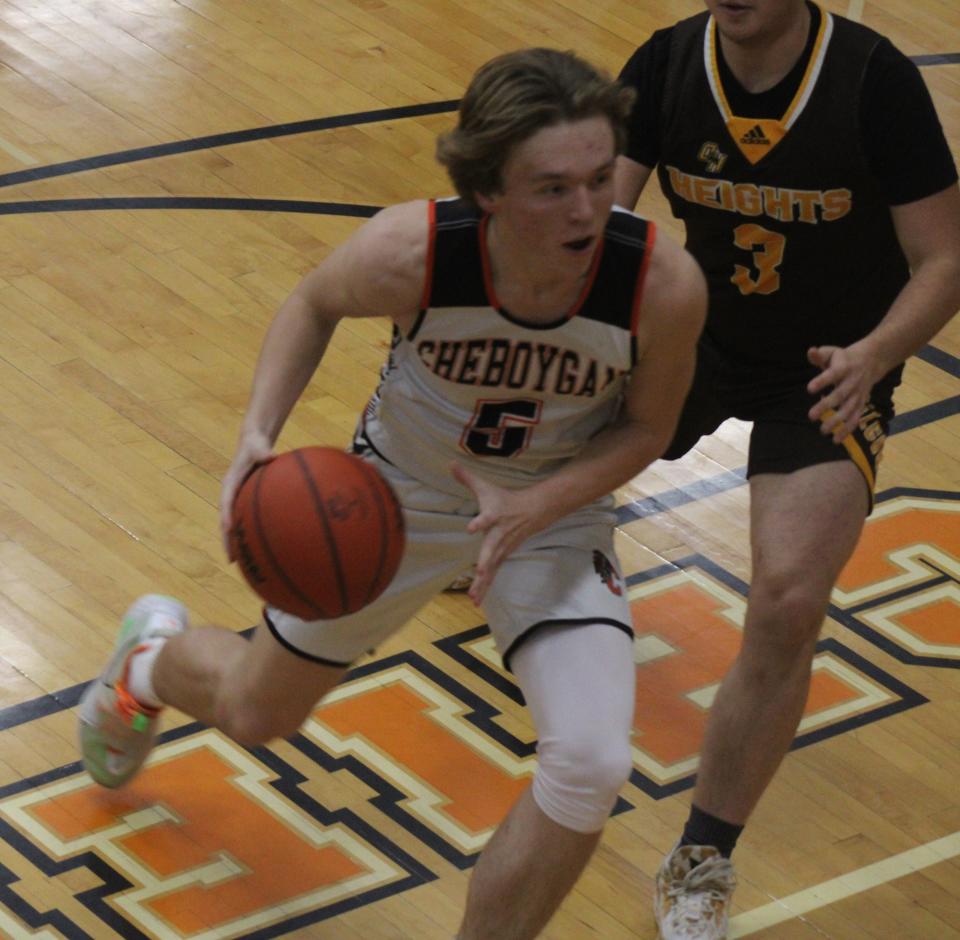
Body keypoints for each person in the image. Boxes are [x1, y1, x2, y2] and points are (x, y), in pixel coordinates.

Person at [78, 48, 706, 940]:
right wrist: (257, 433)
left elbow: (648, 429)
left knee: (595, 760)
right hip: (393, 504)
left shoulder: (662, 286)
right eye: (553, 187)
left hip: (552, 517)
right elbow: (310, 305)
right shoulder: (409, 252)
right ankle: (147, 662)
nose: (586, 209)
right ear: (488, 190)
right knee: (259, 715)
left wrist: (541, 503)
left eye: (601, 178)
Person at [615, 2, 960, 937]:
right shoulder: (668, 61)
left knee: (787, 605)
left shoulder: (872, 77)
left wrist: (879, 354)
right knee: (519, 444)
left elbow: (945, 258)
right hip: (697, 338)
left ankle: (701, 859)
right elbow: (597, 216)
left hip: (830, 370)